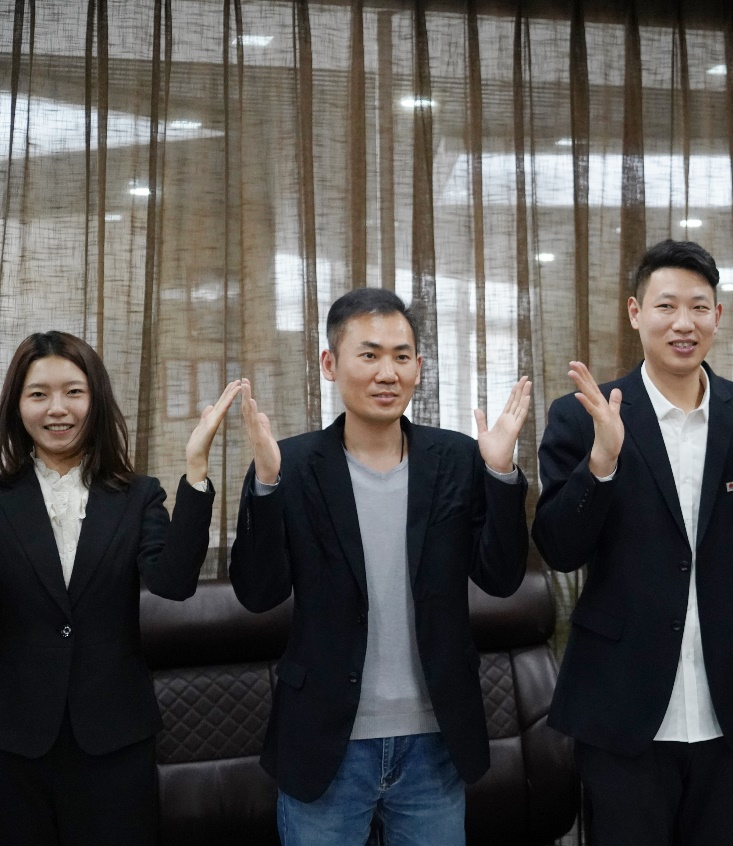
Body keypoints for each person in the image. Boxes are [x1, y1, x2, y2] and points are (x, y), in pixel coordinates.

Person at [533, 239, 733, 846]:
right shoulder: (585, 415)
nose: (683, 323)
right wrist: (601, 463)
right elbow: (559, 550)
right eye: (666, 306)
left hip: (731, 708)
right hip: (622, 708)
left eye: (698, 307)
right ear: (635, 312)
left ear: (717, 316)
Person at [230, 287, 531, 845]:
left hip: (435, 739)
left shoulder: (457, 459)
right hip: (326, 739)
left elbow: (501, 577)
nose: (387, 373)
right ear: (330, 364)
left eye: (401, 356)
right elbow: (258, 592)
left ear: (419, 367)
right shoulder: (290, 464)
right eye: (368, 355)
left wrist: (501, 474)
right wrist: (267, 486)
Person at [0, 331, 240, 845]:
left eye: (74, 392)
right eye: (38, 393)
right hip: (13, 741)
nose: (57, 408)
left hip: (115, 739)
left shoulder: (136, 495)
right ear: (17, 406)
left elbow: (173, 583)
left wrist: (196, 468)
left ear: (97, 400)